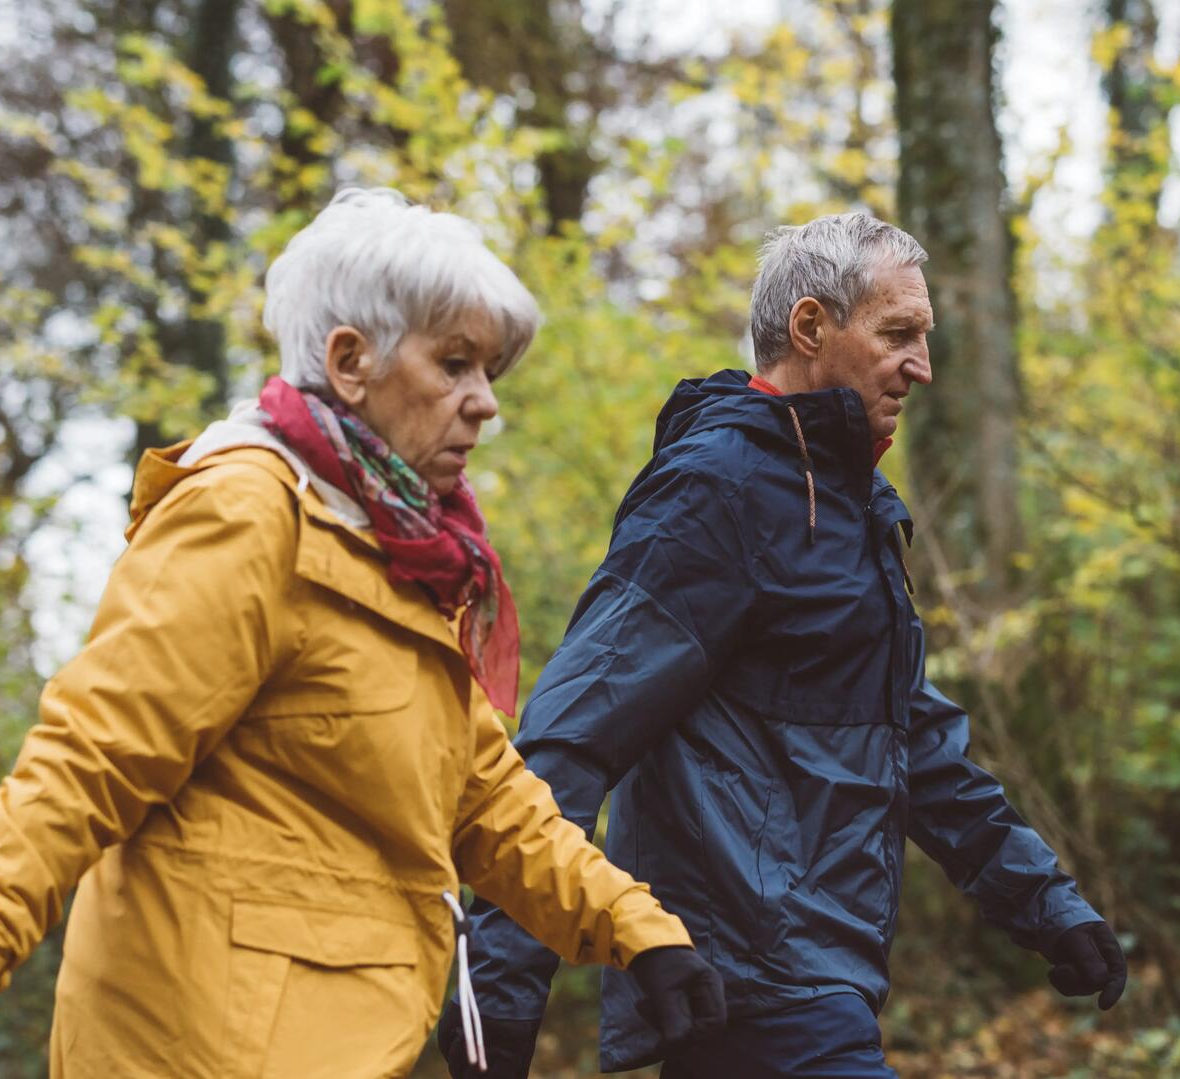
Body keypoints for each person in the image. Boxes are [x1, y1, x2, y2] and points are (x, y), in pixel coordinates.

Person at [0, 188, 726, 1079]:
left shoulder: (405, 554)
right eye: (455, 363)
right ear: (350, 360)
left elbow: (485, 797)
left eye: (489, 370)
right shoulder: (251, 512)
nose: (484, 402)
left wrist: (640, 933)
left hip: (343, 1040)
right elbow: (88, 758)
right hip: (199, 1051)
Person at [442, 211, 1128, 1078]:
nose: (922, 365)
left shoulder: (853, 506)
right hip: (745, 973)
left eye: (923, 337)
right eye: (898, 334)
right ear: (811, 326)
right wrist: (501, 988)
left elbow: (910, 736)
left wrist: (1045, 902)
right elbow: (573, 730)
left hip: (818, 976)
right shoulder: (716, 489)